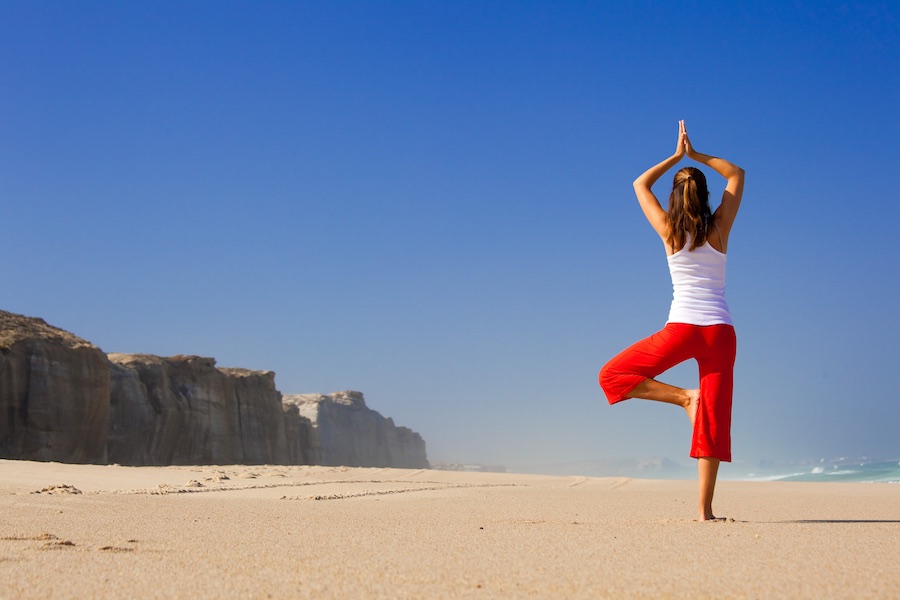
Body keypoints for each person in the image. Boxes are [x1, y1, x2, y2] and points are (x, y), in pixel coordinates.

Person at [599, 120, 745, 521]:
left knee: (612, 376)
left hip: (680, 330)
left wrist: (675, 157)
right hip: (719, 332)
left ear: (675, 198)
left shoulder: (668, 231)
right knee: (712, 420)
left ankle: (683, 397)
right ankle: (704, 512)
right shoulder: (720, 227)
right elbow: (737, 173)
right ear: (705, 194)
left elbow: (638, 185)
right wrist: (696, 155)